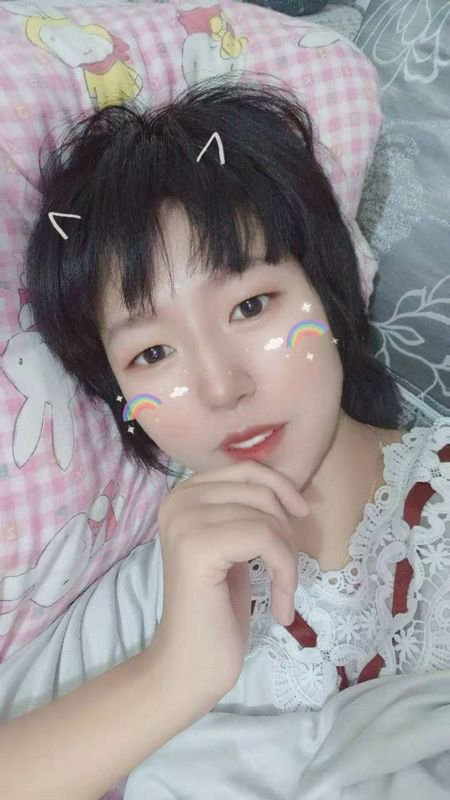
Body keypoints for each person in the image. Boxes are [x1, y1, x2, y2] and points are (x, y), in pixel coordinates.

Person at [1, 76, 448, 800]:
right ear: (122, 403)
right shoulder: (150, 593)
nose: (220, 386)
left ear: (328, 293)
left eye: (251, 305)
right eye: (152, 353)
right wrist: (173, 674)